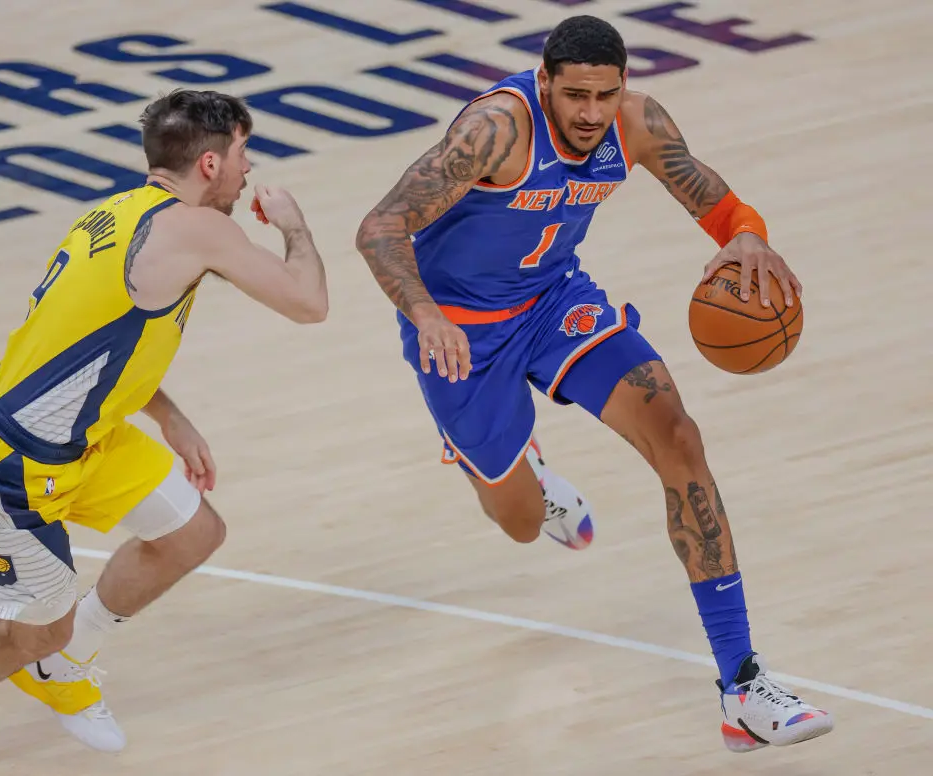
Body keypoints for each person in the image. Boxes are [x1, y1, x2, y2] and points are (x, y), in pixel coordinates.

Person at [355, 15, 833, 753]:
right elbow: (380, 226)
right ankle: (530, 475)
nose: (588, 113)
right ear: (544, 82)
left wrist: (747, 234)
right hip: (459, 330)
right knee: (515, 520)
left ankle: (741, 685)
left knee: (680, 438)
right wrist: (423, 315)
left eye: (603, 96)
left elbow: (719, 204)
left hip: (556, 302)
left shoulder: (636, 123)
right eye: (574, 94)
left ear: (623, 89)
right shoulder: (494, 133)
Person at [0, 89, 328, 773]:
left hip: (79, 435)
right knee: (29, 635)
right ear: (213, 162)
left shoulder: (110, 214)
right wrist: (295, 226)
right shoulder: (201, 229)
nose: (251, 172)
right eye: (245, 155)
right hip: (11, 465)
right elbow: (310, 304)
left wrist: (170, 414)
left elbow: (92, 340)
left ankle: (65, 665)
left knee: (193, 531)